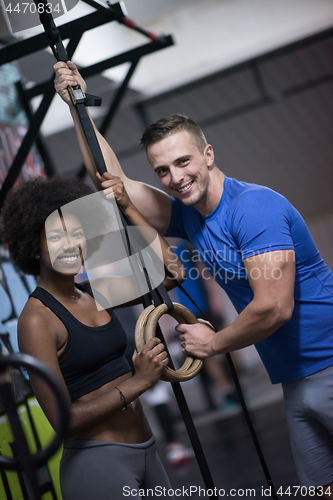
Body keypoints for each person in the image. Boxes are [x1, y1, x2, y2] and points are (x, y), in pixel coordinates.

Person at [54, 61, 333, 493]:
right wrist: (77, 107)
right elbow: (113, 183)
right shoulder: (192, 217)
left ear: (208, 154)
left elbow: (275, 306)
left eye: (183, 162)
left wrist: (214, 342)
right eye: (162, 170)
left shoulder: (253, 208)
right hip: (296, 379)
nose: (175, 178)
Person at [1, 175, 187, 500]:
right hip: (97, 464)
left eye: (77, 233)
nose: (71, 244)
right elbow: (63, 420)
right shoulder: (36, 319)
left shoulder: (95, 293)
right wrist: (137, 382)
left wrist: (128, 206)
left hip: (148, 450)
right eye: (56, 236)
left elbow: (172, 273)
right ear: (33, 243)